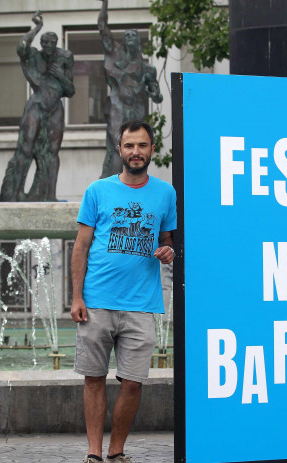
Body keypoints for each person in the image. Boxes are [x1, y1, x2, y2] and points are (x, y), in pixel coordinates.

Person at [71, 119, 176, 463]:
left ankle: (116, 451)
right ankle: (93, 453)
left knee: (133, 383)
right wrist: (76, 298)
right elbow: (81, 247)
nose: (136, 152)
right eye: (129, 146)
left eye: (142, 146)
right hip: (97, 301)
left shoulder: (165, 193)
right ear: (120, 150)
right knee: (94, 379)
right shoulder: (97, 191)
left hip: (141, 304)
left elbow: (167, 242)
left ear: (151, 151)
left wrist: (169, 251)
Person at [0, 11, 75, 202]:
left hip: (55, 108)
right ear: (41, 44)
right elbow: (21, 47)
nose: (49, 46)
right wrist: (37, 27)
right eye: (45, 42)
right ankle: (15, 194)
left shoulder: (65, 58)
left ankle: (50, 196)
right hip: (37, 105)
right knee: (26, 149)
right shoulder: (34, 56)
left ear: (57, 43)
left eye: (52, 42)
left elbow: (71, 90)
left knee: (52, 152)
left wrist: (60, 76)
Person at [98, 0, 164, 179]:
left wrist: (152, 89)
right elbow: (103, 28)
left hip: (136, 110)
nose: (130, 39)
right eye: (127, 36)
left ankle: (132, 182)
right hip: (117, 106)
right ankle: (110, 184)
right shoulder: (116, 54)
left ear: (138, 41)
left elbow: (157, 97)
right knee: (116, 146)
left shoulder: (147, 68)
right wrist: (104, 4)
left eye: (133, 36)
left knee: (135, 147)